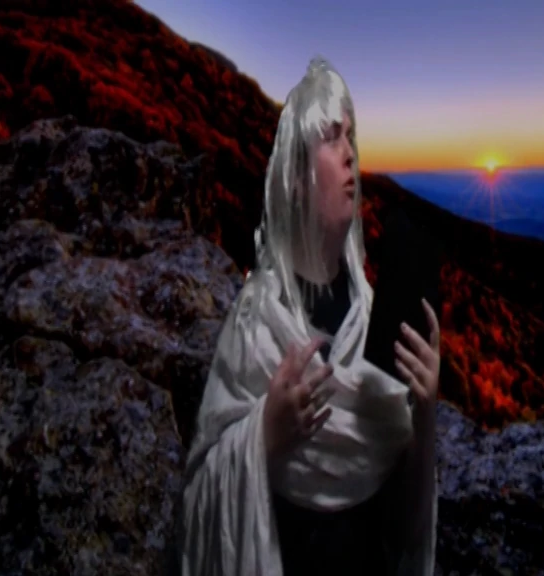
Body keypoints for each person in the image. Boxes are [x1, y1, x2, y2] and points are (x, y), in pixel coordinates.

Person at [176, 57, 440, 576]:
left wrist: (426, 412)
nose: (351, 154)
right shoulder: (256, 324)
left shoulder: (376, 322)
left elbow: (403, 531)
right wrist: (265, 434)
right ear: (296, 176)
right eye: (332, 137)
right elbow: (199, 499)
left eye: (351, 138)